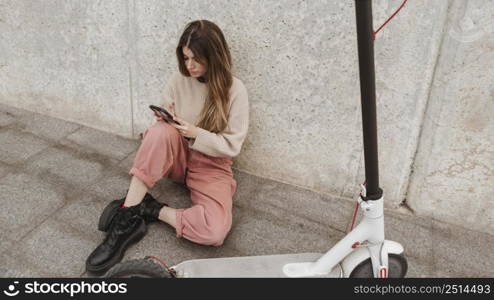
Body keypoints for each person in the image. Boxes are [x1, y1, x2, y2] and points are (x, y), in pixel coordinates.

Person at [85, 19, 249, 274]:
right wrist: (164, 121)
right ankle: (126, 217)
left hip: (211, 165)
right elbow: (164, 120)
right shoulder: (178, 79)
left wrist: (197, 133)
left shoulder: (235, 90)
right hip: (178, 155)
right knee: (159, 132)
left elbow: (232, 145)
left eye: (196, 59)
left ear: (215, 57)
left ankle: (149, 208)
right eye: (185, 58)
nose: (189, 66)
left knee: (214, 231)